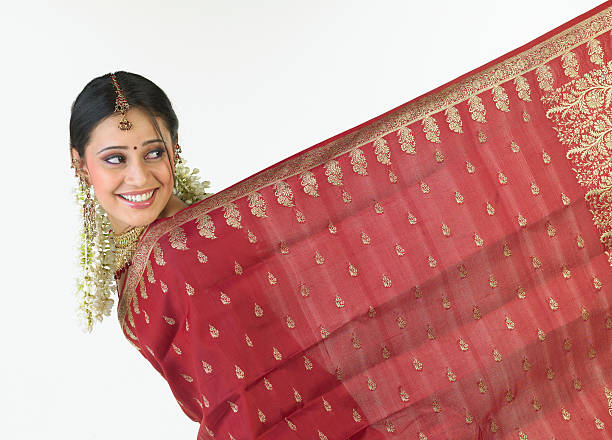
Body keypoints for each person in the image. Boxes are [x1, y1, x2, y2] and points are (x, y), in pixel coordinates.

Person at [70, 4, 612, 437]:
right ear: (80, 164)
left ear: (176, 150)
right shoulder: (172, 251)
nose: (138, 176)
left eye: (153, 152)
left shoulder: (181, 250)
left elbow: (251, 390)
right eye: (114, 158)